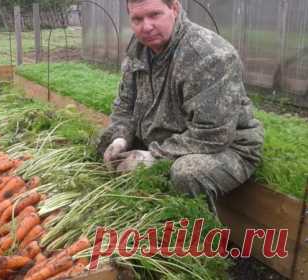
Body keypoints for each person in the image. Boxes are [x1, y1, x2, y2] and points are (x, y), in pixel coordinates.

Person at [98, 0, 264, 214]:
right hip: (165, 139)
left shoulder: (208, 55)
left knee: (186, 173)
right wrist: (120, 137)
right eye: (137, 19)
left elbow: (212, 135)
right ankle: (132, 210)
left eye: (154, 15)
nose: (146, 26)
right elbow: (124, 106)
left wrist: (154, 156)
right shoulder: (139, 49)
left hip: (226, 147)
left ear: (174, 9)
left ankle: (196, 232)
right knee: (106, 142)